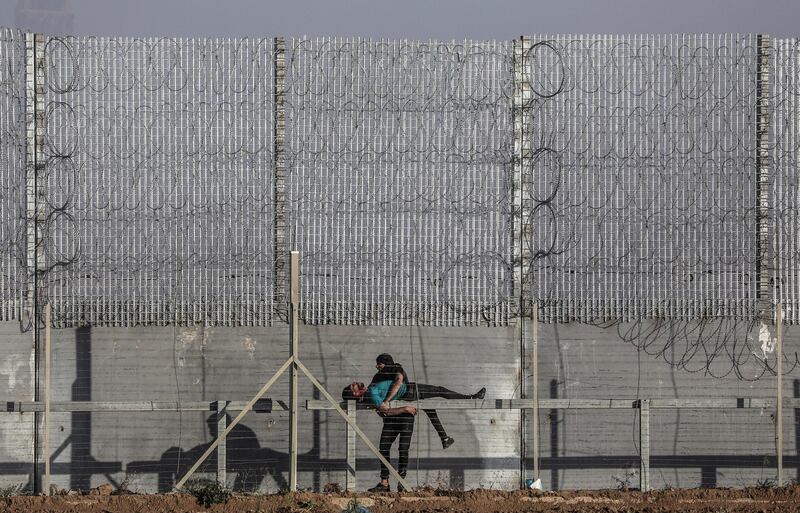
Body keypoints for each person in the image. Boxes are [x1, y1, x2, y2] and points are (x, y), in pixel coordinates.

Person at [370, 353, 486, 450]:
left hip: (406, 398)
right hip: (411, 392)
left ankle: (444, 438)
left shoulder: (378, 376)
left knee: (430, 409)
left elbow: (372, 393)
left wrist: (381, 405)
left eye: (379, 363)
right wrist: (385, 401)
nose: (376, 366)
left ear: (386, 363)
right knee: (440, 390)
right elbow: (399, 381)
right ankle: (469, 399)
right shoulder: (394, 368)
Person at [342, 381, 418, 492]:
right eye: (353, 386)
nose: (356, 383)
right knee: (384, 448)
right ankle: (384, 483)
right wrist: (405, 409)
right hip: (396, 417)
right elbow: (383, 410)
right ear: (355, 394)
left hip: (405, 418)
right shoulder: (368, 396)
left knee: (403, 448)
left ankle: (401, 481)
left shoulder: (373, 387)